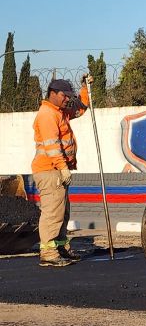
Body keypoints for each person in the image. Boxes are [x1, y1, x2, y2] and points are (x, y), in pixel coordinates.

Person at [32, 75, 92, 267]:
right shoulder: (47, 115)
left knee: (62, 212)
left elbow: (80, 109)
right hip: (50, 170)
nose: (67, 99)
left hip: (57, 170)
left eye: (68, 95)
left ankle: (59, 247)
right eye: (64, 95)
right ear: (53, 93)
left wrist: (85, 88)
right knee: (52, 212)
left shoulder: (60, 112)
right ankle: (48, 252)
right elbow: (52, 146)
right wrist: (63, 168)